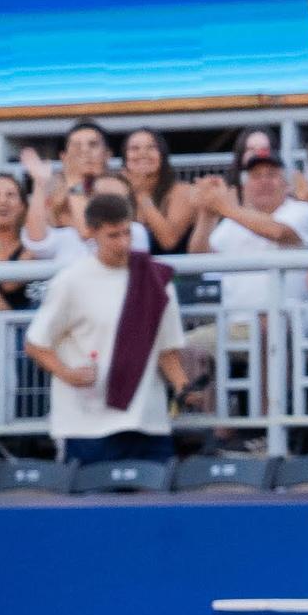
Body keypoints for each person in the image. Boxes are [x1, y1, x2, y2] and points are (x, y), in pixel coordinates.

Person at [22, 189, 192, 467]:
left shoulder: (156, 278)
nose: (123, 242)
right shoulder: (71, 281)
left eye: (127, 233)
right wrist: (68, 373)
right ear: (91, 233)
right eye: (113, 235)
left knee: (156, 507)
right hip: (87, 423)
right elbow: (35, 343)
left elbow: (166, 348)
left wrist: (184, 387)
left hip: (146, 419)